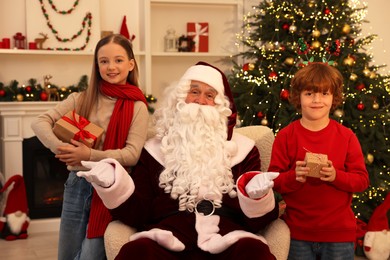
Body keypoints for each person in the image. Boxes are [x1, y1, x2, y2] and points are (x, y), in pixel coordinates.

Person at [76, 61, 280, 259]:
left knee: (254, 252)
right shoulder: (153, 150)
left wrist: (256, 198)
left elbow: (258, 223)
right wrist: (113, 184)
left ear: (221, 106)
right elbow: (137, 214)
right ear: (180, 98)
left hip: (227, 238)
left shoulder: (245, 150)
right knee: (137, 252)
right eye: (194, 92)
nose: (200, 100)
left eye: (209, 95)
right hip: (168, 237)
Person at [31, 34, 149, 260]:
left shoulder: (137, 107)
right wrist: (63, 150)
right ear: (97, 65)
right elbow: (39, 122)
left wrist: (88, 155)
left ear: (131, 64)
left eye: (118, 60)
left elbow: (132, 154)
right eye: (103, 61)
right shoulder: (82, 98)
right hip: (77, 185)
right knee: (66, 256)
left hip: (110, 190)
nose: (111, 67)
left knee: (89, 256)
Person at [268, 62, 369, 260]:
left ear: (334, 97)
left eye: (324, 94)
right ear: (298, 97)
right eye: (309, 94)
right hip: (297, 233)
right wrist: (293, 177)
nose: (317, 100)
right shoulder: (286, 136)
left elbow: (362, 181)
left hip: (338, 234)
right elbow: (274, 180)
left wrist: (335, 176)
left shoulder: (346, 137)